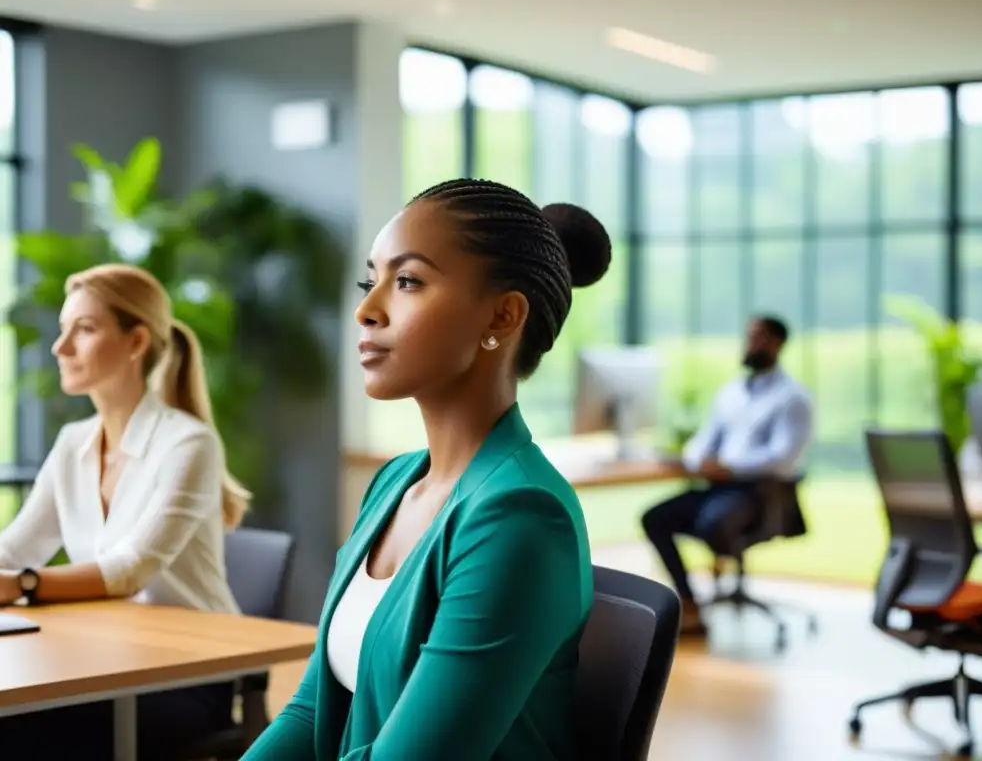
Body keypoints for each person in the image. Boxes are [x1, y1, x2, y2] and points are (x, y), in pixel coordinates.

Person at [241, 180, 610, 761]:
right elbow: (313, 709)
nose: (366, 309)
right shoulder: (393, 483)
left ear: (504, 314)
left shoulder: (518, 517)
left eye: (407, 281)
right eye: (372, 281)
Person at [0, 263, 248, 759]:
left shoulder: (188, 443)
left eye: (84, 329)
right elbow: (14, 547)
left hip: (190, 673)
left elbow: (131, 569)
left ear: (136, 343)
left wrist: (23, 584)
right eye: (62, 329)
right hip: (105, 657)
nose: (60, 347)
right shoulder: (74, 443)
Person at [641, 315, 814, 636]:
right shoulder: (732, 392)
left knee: (712, 521)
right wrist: (697, 459)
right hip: (717, 485)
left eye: (758, 337)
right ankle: (690, 603)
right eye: (748, 336)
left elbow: (782, 456)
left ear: (777, 343)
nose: (750, 344)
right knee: (655, 517)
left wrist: (730, 466)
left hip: (759, 493)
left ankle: (721, 571)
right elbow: (704, 439)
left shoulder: (793, 398)